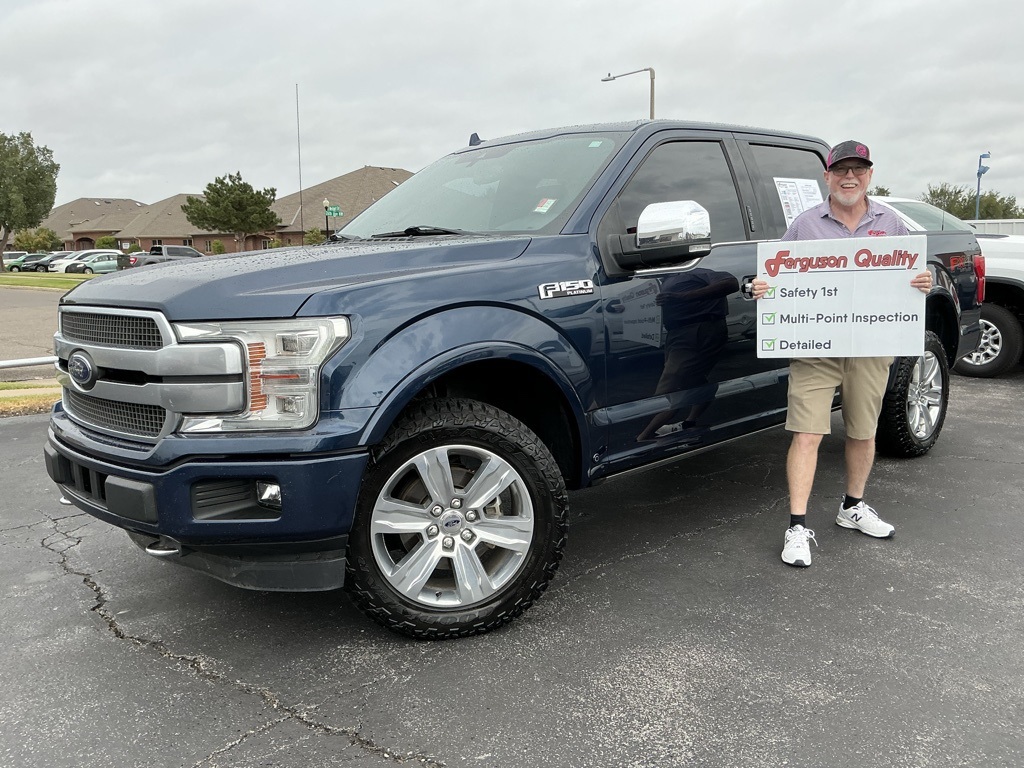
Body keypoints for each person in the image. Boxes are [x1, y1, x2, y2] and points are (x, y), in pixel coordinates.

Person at [751, 140, 933, 567]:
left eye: (858, 169)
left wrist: (919, 281)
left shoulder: (890, 223)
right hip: (817, 347)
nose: (849, 177)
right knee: (807, 432)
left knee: (863, 431)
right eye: (841, 170)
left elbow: (906, 274)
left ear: (870, 175)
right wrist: (763, 287)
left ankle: (853, 506)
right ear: (827, 177)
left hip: (870, 346)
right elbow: (776, 275)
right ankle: (797, 526)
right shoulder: (804, 225)